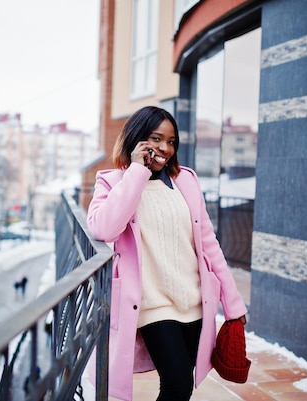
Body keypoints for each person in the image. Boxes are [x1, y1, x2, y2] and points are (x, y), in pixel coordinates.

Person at [86, 106, 248, 401]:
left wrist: (233, 304)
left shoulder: (184, 180)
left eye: (171, 141)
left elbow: (209, 244)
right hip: (152, 303)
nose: (164, 148)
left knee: (183, 384)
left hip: (194, 299)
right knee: (176, 385)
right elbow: (103, 229)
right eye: (155, 138)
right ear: (136, 138)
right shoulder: (112, 181)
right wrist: (137, 170)